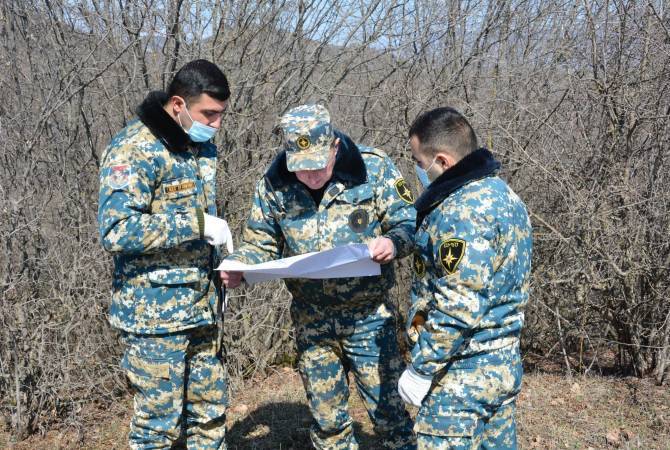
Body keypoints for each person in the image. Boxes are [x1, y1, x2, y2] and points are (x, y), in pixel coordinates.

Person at [221, 104, 417, 449]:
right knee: (328, 424)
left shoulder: (373, 167)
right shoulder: (273, 186)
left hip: (369, 318)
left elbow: (408, 222)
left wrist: (393, 242)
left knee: (390, 419)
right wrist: (240, 265)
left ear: (335, 148)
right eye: (301, 169)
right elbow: (260, 243)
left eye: (318, 167)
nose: (310, 176)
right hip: (312, 320)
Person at [98, 59, 233, 449]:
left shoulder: (199, 148)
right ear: (178, 104)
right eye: (209, 114)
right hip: (154, 317)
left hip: (202, 308)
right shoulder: (134, 149)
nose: (216, 124)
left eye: (221, 115)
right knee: (157, 428)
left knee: (210, 417)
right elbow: (116, 230)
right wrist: (197, 224)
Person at [397, 107, 532, 449]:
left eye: (418, 160)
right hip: (501, 364)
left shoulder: (461, 212)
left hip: (461, 377)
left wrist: (422, 367)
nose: (417, 169)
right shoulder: (504, 196)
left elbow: (459, 305)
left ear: (441, 161)